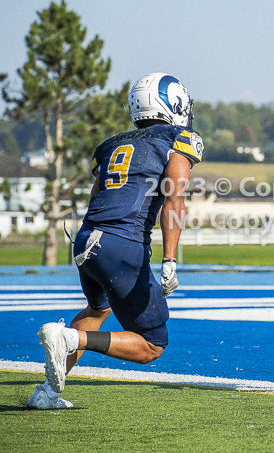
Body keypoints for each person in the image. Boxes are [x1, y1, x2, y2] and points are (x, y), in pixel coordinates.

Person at [27, 73, 204, 409]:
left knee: (98, 307)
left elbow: (97, 198)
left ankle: (47, 393)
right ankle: (70, 338)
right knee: (153, 344)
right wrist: (170, 260)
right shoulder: (179, 139)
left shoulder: (111, 145)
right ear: (173, 103)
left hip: (85, 241)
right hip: (122, 244)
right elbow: (174, 198)